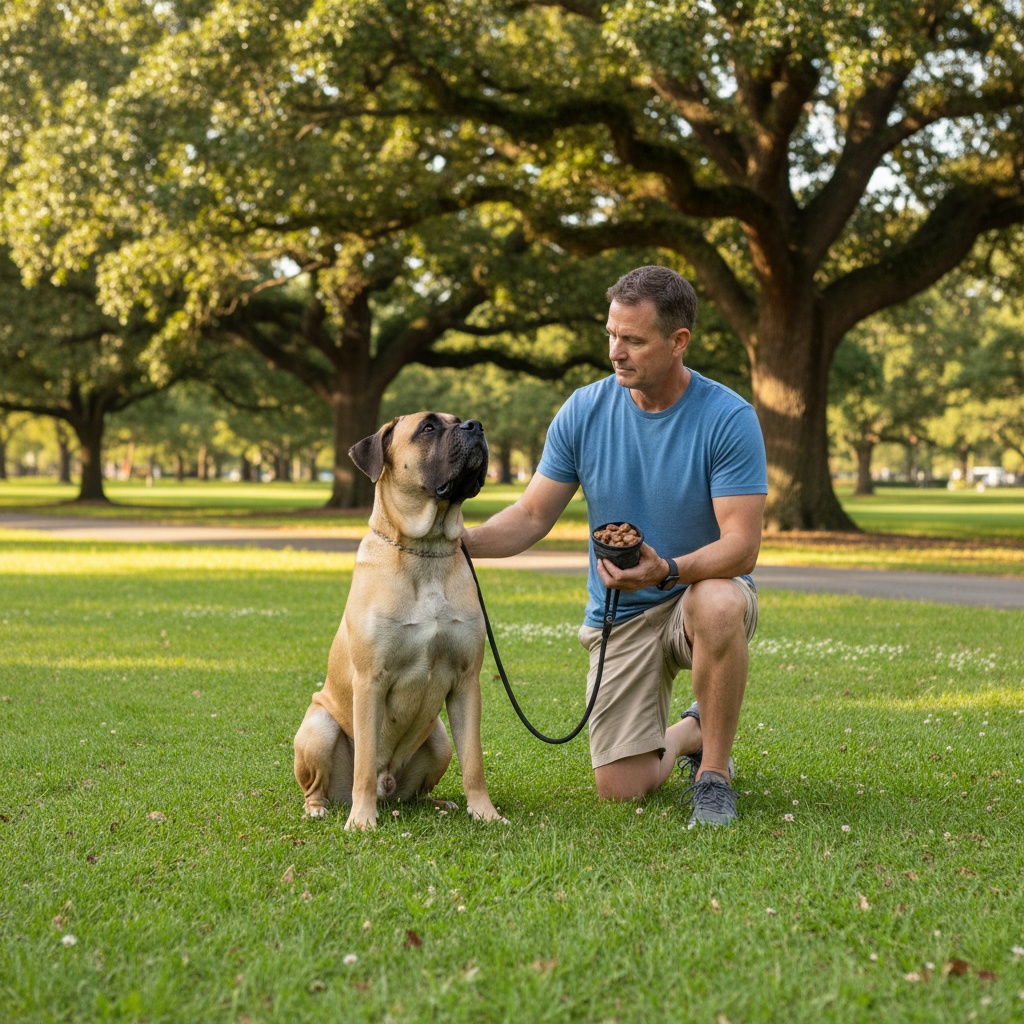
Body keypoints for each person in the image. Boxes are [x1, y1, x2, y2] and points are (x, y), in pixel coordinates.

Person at [462, 265, 767, 827]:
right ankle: (690, 732)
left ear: (679, 342)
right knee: (621, 789)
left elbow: (742, 548)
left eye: (633, 339)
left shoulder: (728, 417)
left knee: (720, 601)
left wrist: (665, 570)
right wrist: (456, 542)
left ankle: (715, 776)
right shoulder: (584, 411)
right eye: (611, 335)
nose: (616, 352)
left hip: (695, 591)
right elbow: (531, 515)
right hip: (620, 613)